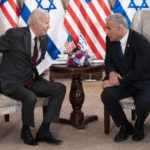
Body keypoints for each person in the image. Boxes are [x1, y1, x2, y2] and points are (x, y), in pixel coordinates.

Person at [0, 8, 66, 146]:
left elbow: (34, 61)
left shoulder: (44, 38)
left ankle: (44, 130)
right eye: (46, 23)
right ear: (35, 23)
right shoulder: (15, 35)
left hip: (30, 79)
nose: (49, 26)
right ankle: (26, 130)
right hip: (11, 81)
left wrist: (41, 68)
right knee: (30, 97)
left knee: (60, 88)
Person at [101, 13, 150, 142]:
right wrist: (111, 73)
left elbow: (139, 71)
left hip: (142, 82)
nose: (106, 32)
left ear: (120, 29)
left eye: (108, 28)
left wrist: (114, 82)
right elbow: (109, 61)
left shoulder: (140, 42)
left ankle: (139, 125)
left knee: (144, 103)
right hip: (123, 82)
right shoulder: (110, 39)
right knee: (106, 95)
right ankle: (125, 125)